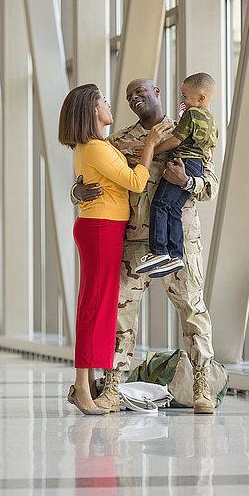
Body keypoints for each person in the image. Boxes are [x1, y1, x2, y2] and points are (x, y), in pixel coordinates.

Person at [71, 79, 219, 414]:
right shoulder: (120, 141)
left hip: (180, 240)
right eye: (129, 96)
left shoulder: (190, 128)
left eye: (142, 92)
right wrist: (76, 194)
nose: (136, 98)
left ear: (158, 94)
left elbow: (210, 184)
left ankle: (201, 385)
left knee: (192, 309)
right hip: (135, 241)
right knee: (120, 314)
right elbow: (92, 175)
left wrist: (187, 181)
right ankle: (111, 387)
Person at [58, 83, 172, 415]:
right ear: (93, 110)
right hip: (101, 229)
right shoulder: (95, 147)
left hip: (102, 228)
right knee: (96, 305)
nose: (110, 105)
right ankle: (82, 387)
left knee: (99, 306)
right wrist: (150, 143)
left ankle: (84, 386)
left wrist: (77, 191)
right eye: (105, 101)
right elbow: (136, 182)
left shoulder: (95, 146)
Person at [135, 73, 218, 278]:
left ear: (201, 98)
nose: (182, 101)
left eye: (184, 97)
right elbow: (211, 152)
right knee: (173, 208)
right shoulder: (212, 123)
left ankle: (159, 251)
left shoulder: (191, 115)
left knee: (160, 204)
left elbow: (176, 141)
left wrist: (152, 149)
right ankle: (174, 255)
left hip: (181, 163)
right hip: (196, 165)